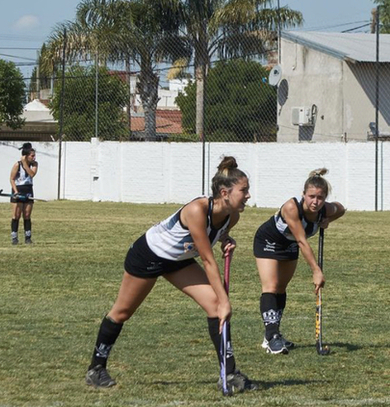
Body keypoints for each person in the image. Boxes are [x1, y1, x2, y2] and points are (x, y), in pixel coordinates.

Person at [84, 156, 257, 395]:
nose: (248, 195)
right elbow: (207, 260)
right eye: (244, 190)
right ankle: (96, 369)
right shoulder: (197, 210)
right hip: (149, 256)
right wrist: (226, 300)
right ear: (225, 193)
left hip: (179, 260)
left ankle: (228, 373)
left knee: (216, 307)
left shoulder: (232, 216)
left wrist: (225, 240)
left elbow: (218, 235)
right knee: (122, 311)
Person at [253, 169, 345, 354]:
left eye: (320, 197)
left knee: (281, 288)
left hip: (290, 244)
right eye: (311, 196)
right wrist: (316, 271)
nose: (315, 202)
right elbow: (302, 241)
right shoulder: (291, 207)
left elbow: (341, 209)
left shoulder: (323, 209)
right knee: (271, 286)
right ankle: (271, 338)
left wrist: (327, 219)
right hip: (269, 241)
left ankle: (273, 334)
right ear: (304, 194)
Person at [9, 143, 38, 245]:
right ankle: (14, 237)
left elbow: (31, 174)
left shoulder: (34, 164)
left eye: (34, 155)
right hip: (18, 190)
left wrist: (25, 163)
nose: (34, 157)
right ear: (26, 155)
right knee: (16, 215)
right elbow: (12, 179)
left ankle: (28, 237)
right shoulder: (17, 165)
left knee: (27, 214)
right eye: (32, 155)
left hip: (28, 190)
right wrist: (16, 192)